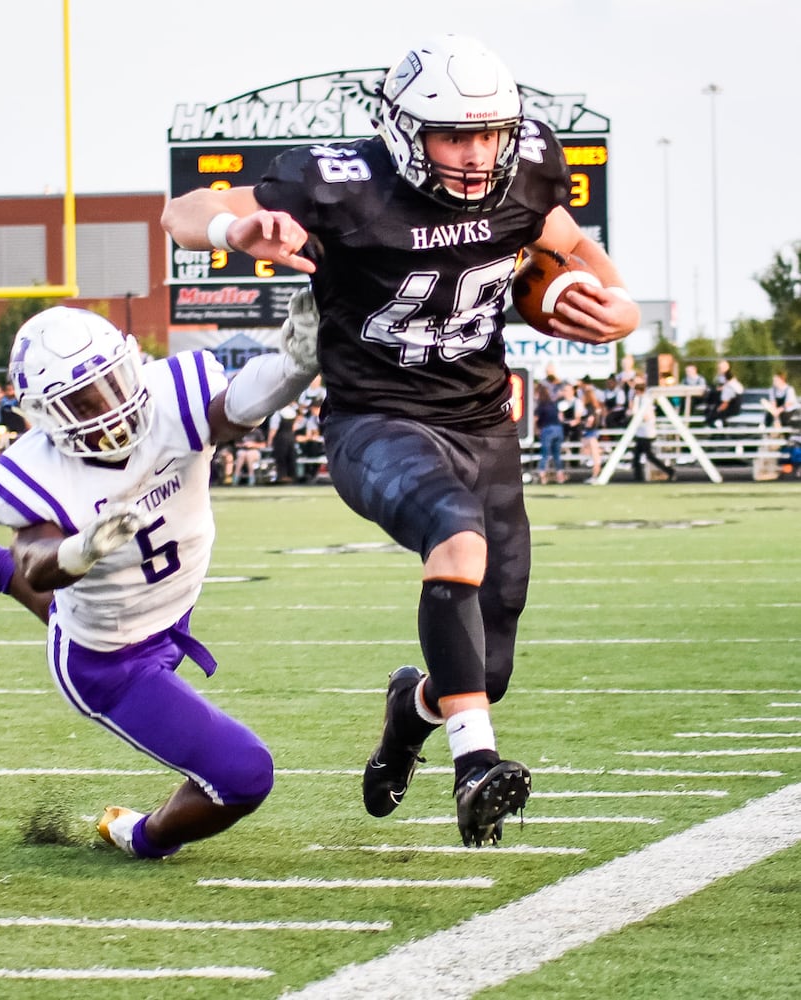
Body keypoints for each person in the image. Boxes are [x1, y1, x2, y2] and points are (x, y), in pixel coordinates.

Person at [160, 35, 640, 846]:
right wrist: (234, 233)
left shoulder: (525, 166)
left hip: (483, 422)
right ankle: (474, 764)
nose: (475, 153)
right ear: (401, 128)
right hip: (375, 418)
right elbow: (181, 212)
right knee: (452, 536)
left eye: (488, 133)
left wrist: (619, 307)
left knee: (484, 672)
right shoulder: (341, 181)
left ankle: (410, 713)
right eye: (454, 134)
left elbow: (568, 242)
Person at [0, 306, 315, 860]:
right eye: (85, 399)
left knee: (83, 603)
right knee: (245, 773)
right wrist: (82, 547)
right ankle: (140, 836)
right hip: (110, 664)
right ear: (45, 414)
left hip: (170, 602)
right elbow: (39, 563)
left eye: (113, 381)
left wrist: (295, 367)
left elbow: (236, 407)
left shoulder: (172, 396)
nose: (111, 405)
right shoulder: (34, 473)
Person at [629, 380, 675, 482]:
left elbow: (646, 416)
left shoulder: (644, 400)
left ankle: (668, 471)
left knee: (646, 456)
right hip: (642, 432)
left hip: (646, 432)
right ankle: (639, 477)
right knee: (639, 456)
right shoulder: (641, 399)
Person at [533, 381, 564, 484]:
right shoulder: (553, 404)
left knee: (545, 454)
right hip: (558, 429)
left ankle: (543, 476)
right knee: (557, 454)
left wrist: (536, 430)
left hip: (547, 429)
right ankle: (560, 475)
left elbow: (535, 419)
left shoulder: (541, 406)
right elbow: (560, 417)